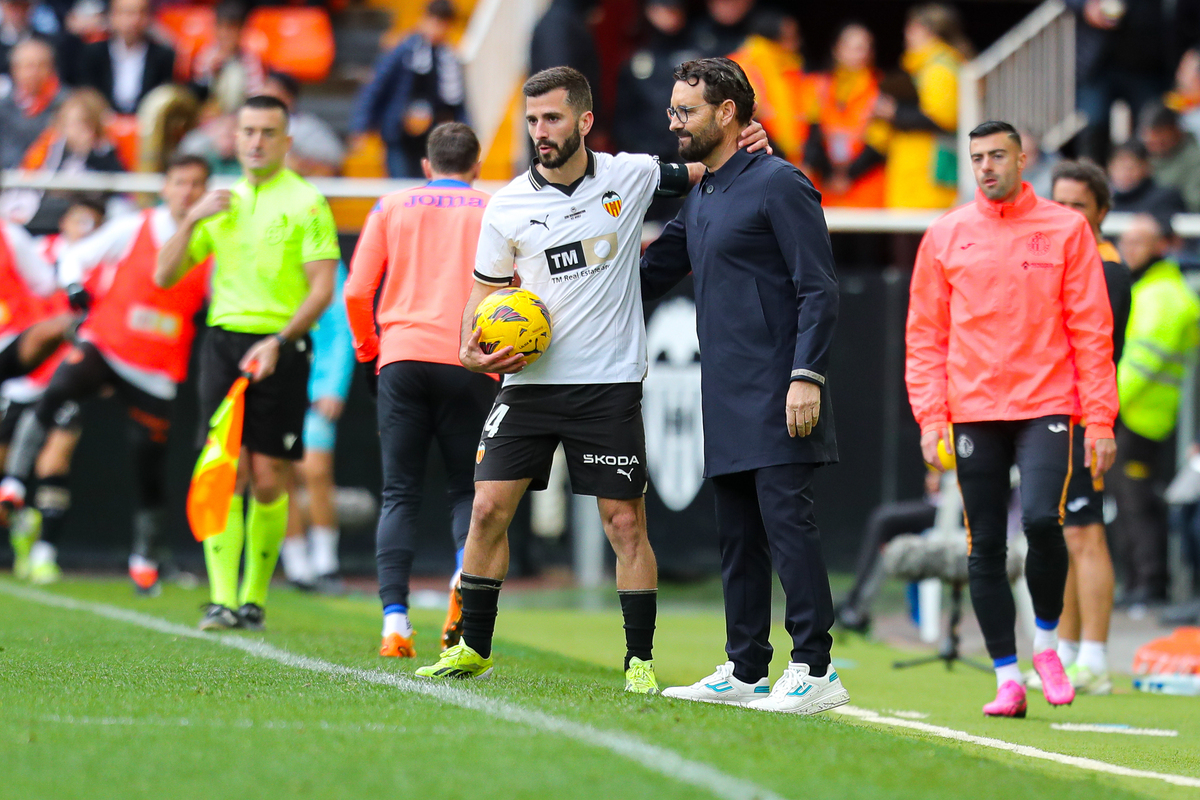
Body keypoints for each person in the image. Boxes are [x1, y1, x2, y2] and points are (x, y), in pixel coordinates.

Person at [412, 66, 769, 691]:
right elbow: (485, 294)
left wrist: (751, 145)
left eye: (551, 119)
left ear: (583, 121)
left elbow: (708, 167)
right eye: (531, 121)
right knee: (488, 508)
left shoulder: (630, 175)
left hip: (607, 385)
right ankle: (472, 644)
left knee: (625, 523)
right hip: (526, 383)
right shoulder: (508, 204)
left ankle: (640, 660)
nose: (539, 132)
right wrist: (468, 349)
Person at [640, 57, 846, 715]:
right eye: (674, 110)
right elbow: (651, 273)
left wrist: (805, 375)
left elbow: (820, 287)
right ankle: (747, 667)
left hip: (781, 387)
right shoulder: (702, 193)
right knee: (738, 535)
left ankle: (815, 668)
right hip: (723, 391)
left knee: (789, 528)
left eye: (686, 112)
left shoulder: (781, 184)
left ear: (728, 113)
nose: (674, 122)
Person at [906, 120, 1119, 718]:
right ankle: (1007, 677)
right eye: (977, 157)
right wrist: (930, 418)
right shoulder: (946, 235)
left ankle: (1048, 646)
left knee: (1045, 525)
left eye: (998, 155)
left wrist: (1100, 421)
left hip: (1048, 403)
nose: (986, 167)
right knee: (985, 549)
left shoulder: (1066, 229)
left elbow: (1092, 331)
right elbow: (925, 337)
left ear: (1023, 160)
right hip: (972, 409)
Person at [155, 95, 340, 631]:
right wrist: (190, 218)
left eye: (267, 132)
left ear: (286, 141)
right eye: (247, 132)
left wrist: (279, 339)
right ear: (234, 140)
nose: (256, 141)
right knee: (224, 467)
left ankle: (253, 597)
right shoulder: (220, 201)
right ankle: (220, 598)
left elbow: (322, 289)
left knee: (268, 475)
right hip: (223, 344)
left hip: (281, 344)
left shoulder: (307, 202)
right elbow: (164, 276)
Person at [0, 154, 212, 592]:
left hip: (156, 368)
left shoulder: (215, 241)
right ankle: (15, 482)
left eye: (196, 184)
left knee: (148, 464)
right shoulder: (135, 226)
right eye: (179, 182)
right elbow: (77, 255)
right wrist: (76, 286)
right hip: (109, 343)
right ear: (165, 186)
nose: (187, 192)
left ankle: (145, 557)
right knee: (57, 390)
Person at [345, 121, 497, 658]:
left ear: (427, 166)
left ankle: (394, 623)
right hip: (472, 360)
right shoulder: (495, 208)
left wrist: (370, 354)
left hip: (403, 356)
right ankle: (462, 575)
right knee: (467, 491)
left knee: (399, 493)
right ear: (476, 165)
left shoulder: (390, 206)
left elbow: (358, 290)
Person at [1041, 158, 1132, 695]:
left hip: (1081, 416)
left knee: (1085, 532)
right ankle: (1067, 652)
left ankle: (1095, 657)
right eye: (1060, 203)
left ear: (1101, 211)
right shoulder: (1066, 260)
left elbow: (1097, 351)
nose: (1068, 214)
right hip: (1051, 415)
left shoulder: (1107, 269)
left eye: (1079, 204)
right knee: (1061, 533)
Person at [1111, 213, 1200, 610]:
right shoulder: (1152, 288)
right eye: (1125, 242)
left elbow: (1141, 364)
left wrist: (1105, 404)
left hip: (1139, 416)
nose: (1128, 250)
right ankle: (1138, 582)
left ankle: (1148, 585)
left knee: (1137, 504)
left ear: (1162, 246)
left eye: (1139, 242)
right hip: (1139, 413)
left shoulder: (1161, 294)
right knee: (1130, 503)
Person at [279, 260, 353, 593]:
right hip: (273, 382)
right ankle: (297, 565)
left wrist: (333, 386)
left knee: (316, 472)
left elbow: (341, 323)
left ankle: (326, 563)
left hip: (315, 385)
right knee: (278, 473)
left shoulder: (326, 260)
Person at [349, 0, 465, 179]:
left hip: (430, 137)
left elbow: (457, 102)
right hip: (398, 134)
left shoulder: (448, 58)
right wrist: (361, 125)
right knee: (401, 184)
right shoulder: (403, 51)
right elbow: (376, 87)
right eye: (433, 21)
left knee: (426, 187)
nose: (437, 28)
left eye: (442, 23)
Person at [880, 3, 966, 210]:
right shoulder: (925, 65)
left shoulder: (939, 68)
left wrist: (894, 112)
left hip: (927, 179)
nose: (906, 33)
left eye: (911, 27)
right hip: (916, 175)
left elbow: (943, 118)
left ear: (926, 30)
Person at [835, 469, 942, 633]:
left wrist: (944, 478)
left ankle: (854, 608)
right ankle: (856, 608)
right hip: (935, 506)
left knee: (883, 518)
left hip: (954, 511)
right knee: (883, 522)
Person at [803, 22, 888, 207]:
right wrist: (829, 175)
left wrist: (847, 177)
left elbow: (880, 143)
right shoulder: (818, 86)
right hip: (826, 190)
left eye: (864, 47)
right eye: (852, 47)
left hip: (866, 189)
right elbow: (812, 137)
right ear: (836, 49)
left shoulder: (880, 87)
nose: (859, 53)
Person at [612, 0, 699, 164]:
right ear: (648, 10)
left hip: (693, 158)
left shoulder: (701, 55)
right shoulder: (634, 61)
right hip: (648, 162)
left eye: (673, 7)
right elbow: (623, 123)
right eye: (660, 7)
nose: (668, 13)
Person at [728, 10, 809, 167]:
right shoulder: (744, 66)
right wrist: (784, 159)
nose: (797, 42)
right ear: (774, 37)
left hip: (788, 159)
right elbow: (753, 118)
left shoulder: (789, 65)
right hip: (762, 158)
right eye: (790, 37)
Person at [77, 0, 173, 115]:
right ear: (112, 16)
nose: (135, 20)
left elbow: (163, 96)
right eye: (128, 13)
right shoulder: (93, 53)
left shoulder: (163, 56)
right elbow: (88, 93)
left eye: (142, 13)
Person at [0, 37, 64, 170]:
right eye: (29, 66)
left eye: (41, 65)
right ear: (15, 69)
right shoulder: (3, 107)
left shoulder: (66, 104)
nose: (34, 72)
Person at [188, 0, 264, 112]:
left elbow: (255, 95)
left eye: (231, 28)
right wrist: (211, 74)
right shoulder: (205, 56)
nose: (225, 34)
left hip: (238, 115)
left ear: (242, 30)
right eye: (221, 27)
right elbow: (197, 93)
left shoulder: (250, 60)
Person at [1138, 102, 1200, 212]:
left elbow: (1195, 203)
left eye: (1160, 138)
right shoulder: (1139, 156)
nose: (1154, 144)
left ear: (1175, 130)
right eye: (1150, 141)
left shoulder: (1195, 159)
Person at [1107, 140, 1186, 219]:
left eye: (1130, 168)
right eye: (1119, 167)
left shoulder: (1166, 198)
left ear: (1146, 168)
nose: (1124, 173)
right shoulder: (1105, 201)